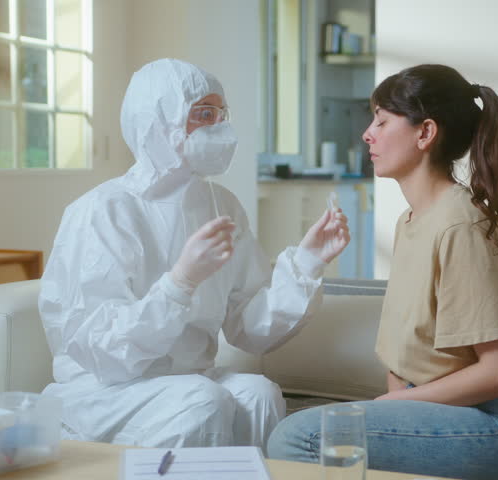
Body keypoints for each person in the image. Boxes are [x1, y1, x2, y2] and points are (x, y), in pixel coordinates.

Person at [38, 59, 350, 450]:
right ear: (160, 121)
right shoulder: (104, 210)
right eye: (204, 114)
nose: (220, 127)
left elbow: (247, 328)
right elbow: (100, 348)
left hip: (186, 381)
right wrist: (180, 283)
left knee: (260, 394)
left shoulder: (222, 205)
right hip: (105, 388)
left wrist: (307, 262)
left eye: (221, 114)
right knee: (202, 400)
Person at [267, 64, 498, 479]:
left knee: (299, 438)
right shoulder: (411, 221)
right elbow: (405, 360)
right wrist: (391, 409)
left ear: (425, 133)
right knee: (311, 432)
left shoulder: (460, 225)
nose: (368, 133)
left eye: (382, 121)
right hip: (443, 412)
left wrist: (386, 409)